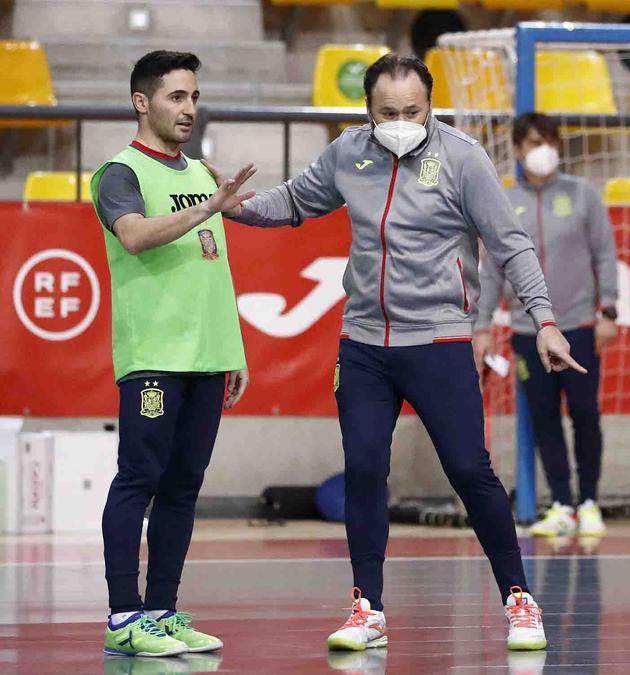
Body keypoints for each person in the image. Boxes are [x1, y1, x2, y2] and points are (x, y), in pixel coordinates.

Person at [219, 54, 583, 652]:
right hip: (363, 341)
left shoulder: (463, 158)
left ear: (430, 106)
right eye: (387, 112)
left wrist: (544, 320)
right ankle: (368, 607)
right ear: (367, 111)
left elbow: (510, 245)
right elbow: (293, 202)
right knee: (364, 469)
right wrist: (238, 208)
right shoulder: (347, 153)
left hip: (438, 338)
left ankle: (519, 598)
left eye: (412, 111)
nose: (400, 121)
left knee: (469, 469)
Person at [92, 50, 255, 657]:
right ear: (142, 102)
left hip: (208, 355)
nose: (189, 108)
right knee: (139, 478)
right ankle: (121, 615)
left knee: (185, 486)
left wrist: (232, 348)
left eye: (192, 97)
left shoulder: (201, 174)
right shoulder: (119, 172)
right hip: (154, 354)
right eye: (175, 98)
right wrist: (212, 206)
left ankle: (160, 610)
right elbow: (133, 235)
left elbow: (214, 266)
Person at [473, 113, 619, 539]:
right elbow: (493, 270)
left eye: (550, 141)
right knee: (543, 417)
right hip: (526, 331)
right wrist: (481, 326)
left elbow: (604, 254)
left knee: (586, 414)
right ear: (517, 149)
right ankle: (561, 504)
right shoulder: (504, 201)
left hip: (577, 325)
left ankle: (589, 501)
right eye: (534, 142)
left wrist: (608, 310)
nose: (542, 149)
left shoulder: (583, 195)